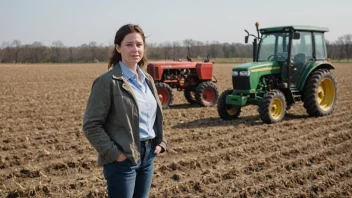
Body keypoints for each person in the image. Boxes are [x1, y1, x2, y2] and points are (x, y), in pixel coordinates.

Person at [82, 24, 167, 198]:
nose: (135, 49)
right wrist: (116, 155)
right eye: (129, 45)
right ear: (118, 47)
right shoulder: (107, 82)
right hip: (123, 160)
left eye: (139, 44)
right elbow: (91, 125)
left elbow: (155, 116)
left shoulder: (148, 80)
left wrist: (160, 143)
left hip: (148, 155)